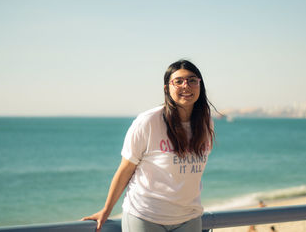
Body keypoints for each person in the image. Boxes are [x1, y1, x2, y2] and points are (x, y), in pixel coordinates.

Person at [82, 59, 215, 232]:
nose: (186, 86)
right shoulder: (148, 122)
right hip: (146, 217)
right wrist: (106, 210)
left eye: (192, 80)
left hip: (189, 218)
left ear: (200, 85)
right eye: (178, 81)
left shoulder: (205, 124)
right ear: (166, 88)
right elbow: (125, 169)